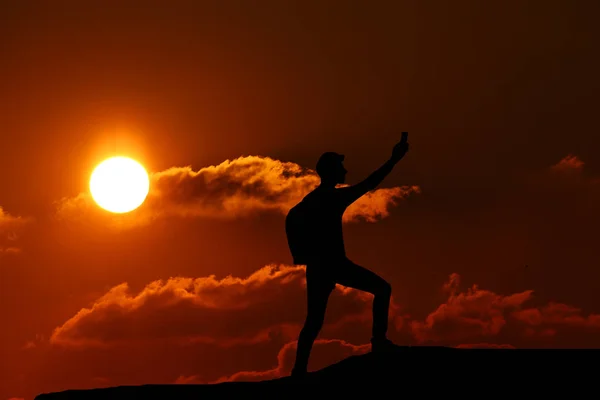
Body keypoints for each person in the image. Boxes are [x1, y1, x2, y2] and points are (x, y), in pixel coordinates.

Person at [285, 134, 410, 377]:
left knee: (313, 321)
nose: (345, 169)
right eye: (341, 167)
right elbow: (369, 183)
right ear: (332, 171)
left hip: (318, 267)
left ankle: (299, 369)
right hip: (333, 265)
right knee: (382, 289)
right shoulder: (332, 198)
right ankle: (379, 341)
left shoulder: (310, 201)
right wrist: (393, 160)